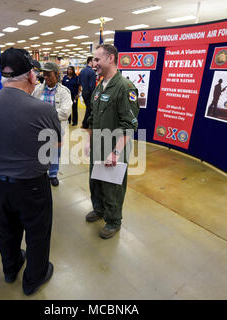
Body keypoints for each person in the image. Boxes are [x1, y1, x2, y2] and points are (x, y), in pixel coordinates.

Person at [0, 48, 60, 295]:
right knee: (37, 232)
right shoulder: (42, 109)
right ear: (31, 76)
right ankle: (33, 279)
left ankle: (10, 268)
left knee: (6, 229)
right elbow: (54, 146)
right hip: (32, 184)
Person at [85, 44, 140, 239]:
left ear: (111, 59)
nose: (94, 63)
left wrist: (115, 152)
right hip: (98, 145)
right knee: (96, 182)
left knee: (112, 187)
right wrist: (89, 140)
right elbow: (92, 116)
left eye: (97, 59)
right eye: (93, 60)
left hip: (114, 147)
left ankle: (114, 220)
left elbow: (129, 125)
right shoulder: (100, 86)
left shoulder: (125, 87)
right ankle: (99, 210)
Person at [32, 62, 72, 187]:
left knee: (55, 153)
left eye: (49, 75)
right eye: (45, 75)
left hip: (56, 129)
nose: (46, 77)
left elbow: (65, 113)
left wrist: (43, 115)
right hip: (39, 129)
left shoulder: (64, 92)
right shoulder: (38, 90)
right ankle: (41, 173)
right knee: (40, 152)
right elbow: (31, 107)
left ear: (57, 75)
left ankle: (53, 174)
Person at [79, 56, 97, 129]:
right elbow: (92, 85)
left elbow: (79, 81)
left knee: (88, 108)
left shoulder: (82, 71)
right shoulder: (92, 72)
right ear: (90, 62)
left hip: (84, 92)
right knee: (89, 108)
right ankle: (85, 124)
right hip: (90, 93)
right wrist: (94, 95)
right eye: (93, 61)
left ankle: (86, 123)